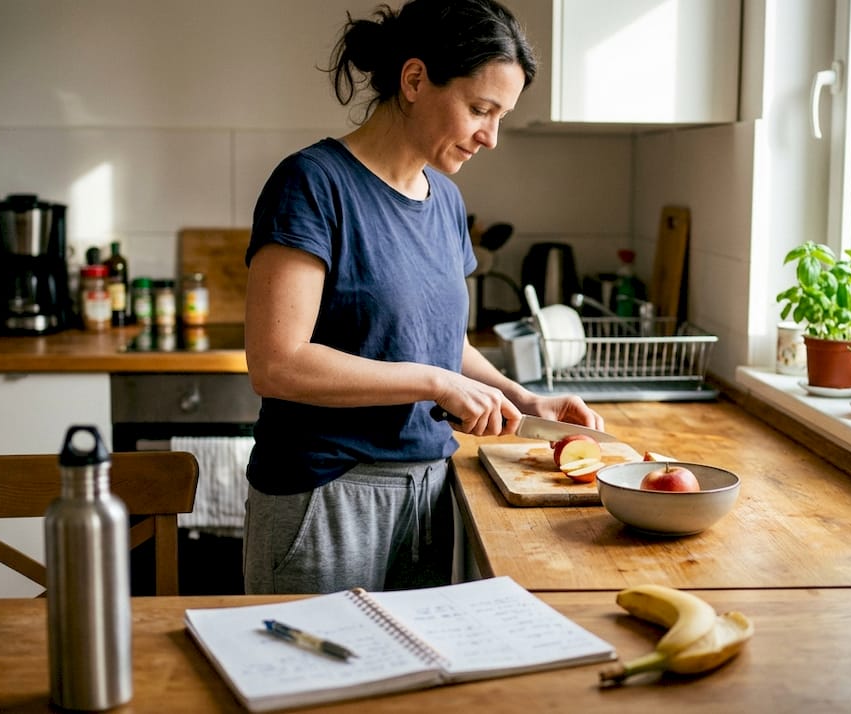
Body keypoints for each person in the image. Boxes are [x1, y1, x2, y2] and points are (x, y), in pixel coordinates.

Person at [242, 0, 605, 595]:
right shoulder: (312, 184)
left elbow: (442, 342)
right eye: (480, 109)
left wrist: (523, 399)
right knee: (327, 682)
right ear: (414, 80)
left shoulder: (446, 202)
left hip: (430, 491)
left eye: (501, 116)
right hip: (327, 494)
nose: (490, 137)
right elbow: (278, 363)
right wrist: (436, 385)